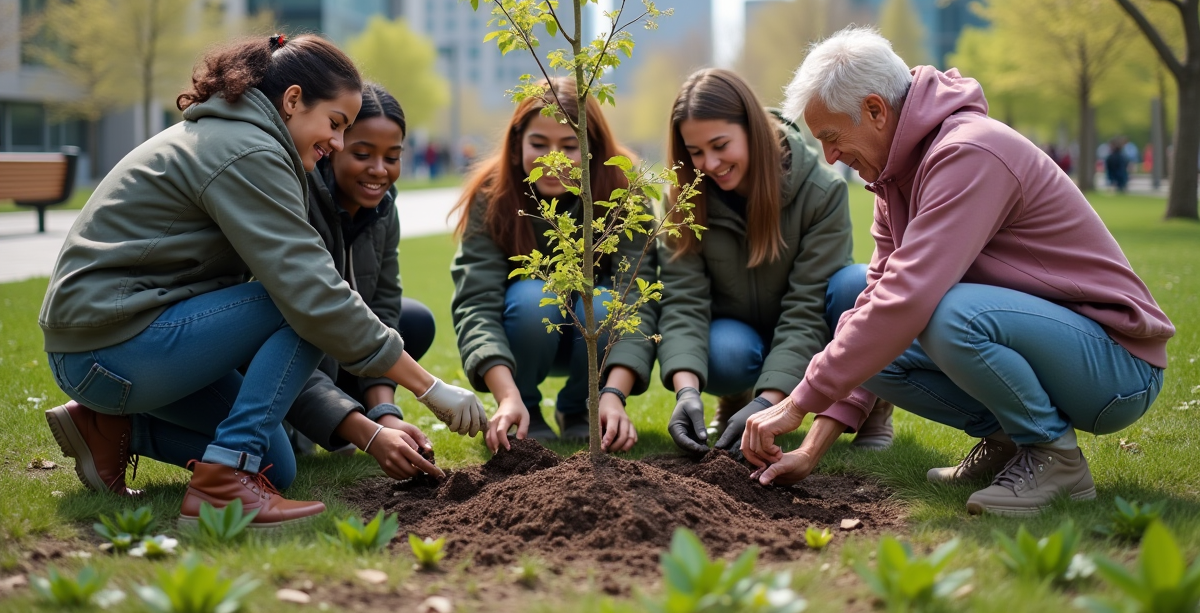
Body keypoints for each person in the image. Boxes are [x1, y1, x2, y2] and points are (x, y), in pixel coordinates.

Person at [41, 35, 486, 526]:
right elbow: (310, 293)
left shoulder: (244, 137)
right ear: (292, 100)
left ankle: (112, 427)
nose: (338, 143)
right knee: (298, 302)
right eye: (336, 124)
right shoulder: (246, 150)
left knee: (275, 463)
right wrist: (430, 389)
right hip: (109, 346)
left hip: (121, 345)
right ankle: (222, 482)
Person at [743, 27, 1174, 515]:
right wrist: (811, 444)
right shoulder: (892, 180)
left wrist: (797, 403)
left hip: (1117, 369)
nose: (830, 156)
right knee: (868, 343)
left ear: (876, 110)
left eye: (832, 137)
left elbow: (909, 296)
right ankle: (1009, 444)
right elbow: (877, 304)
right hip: (1060, 352)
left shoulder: (969, 152)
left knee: (947, 313)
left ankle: (1055, 458)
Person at [655, 68, 893, 457]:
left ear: (751, 129)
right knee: (723, 354)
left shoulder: (820, 191)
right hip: (739, 331)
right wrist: (686, 391)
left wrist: (768, 405)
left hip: (810, 332)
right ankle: (735, 398)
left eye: (720, 145)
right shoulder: (682, 201)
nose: (710, 164)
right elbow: (684, 301)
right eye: (695, 153)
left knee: (854, 285)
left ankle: (875, 403)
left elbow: (807, 308)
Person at [450, 77, 656, 452]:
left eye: (568, 145)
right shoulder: (491, 194)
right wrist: (506, 394)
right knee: (534, 296)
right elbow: (475, 303)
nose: (553, 161)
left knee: (608, 302)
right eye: (539, 144)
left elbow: (638, 300)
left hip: (593, 339)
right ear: (516, 146)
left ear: (591, 148)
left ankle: (581, 407)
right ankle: (524, 406)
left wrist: (613, 393)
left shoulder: (625, 190)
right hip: (525, 332)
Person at [283, 83, 442, 480]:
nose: (379, 170)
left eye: (392, 157)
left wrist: (384, 414)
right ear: (333, 145)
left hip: (345, 351)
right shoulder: (297, 200)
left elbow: (384, 312)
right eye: (362, 154)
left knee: (413, 320)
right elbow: (300, 323)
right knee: (280, 463)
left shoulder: (385, 209)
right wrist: (368, 434)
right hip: (293, 348)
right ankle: (311, 423)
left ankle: (343, 416)